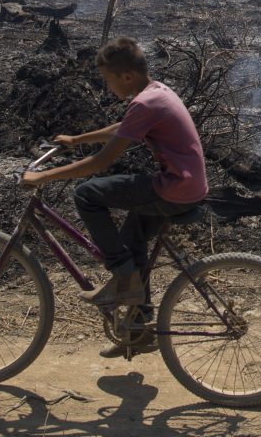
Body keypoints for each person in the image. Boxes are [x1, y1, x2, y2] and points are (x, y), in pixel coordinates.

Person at [21, 36, 209, 323]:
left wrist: (43, 176)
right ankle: (139, 326)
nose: (108, 87)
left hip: (174, 189)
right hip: (186, 186)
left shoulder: (145, 104)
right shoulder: (157, 92)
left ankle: (124, 279)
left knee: (86, 194)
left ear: (127, 76)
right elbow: (123, 127)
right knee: (132, 240)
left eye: (108, 80)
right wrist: (77, 139)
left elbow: (101, 162)